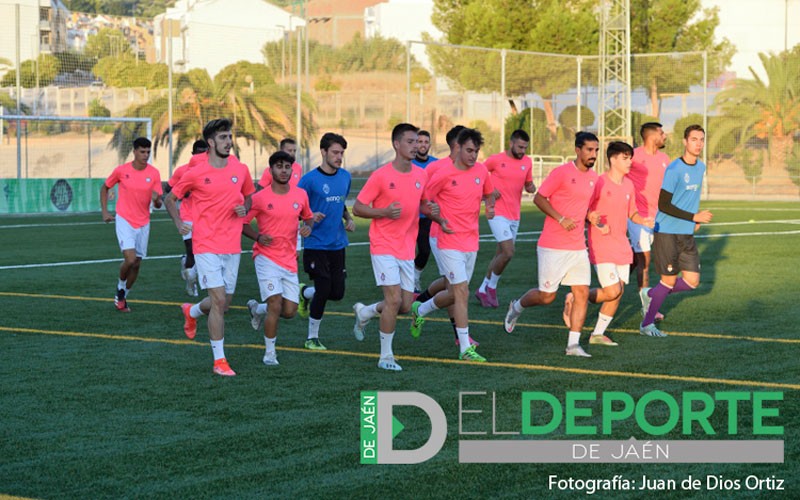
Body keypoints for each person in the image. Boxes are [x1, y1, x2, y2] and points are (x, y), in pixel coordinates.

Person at [165, 118, 255, 377]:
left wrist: (245, 208)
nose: (229, 142)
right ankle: (220, 361)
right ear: (211, 142)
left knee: (225, 303)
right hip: (205, 245)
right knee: (217, 300)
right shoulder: (195, 173)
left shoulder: (241, 169)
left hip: (232, 246)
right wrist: (179, 222)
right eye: (224, 137)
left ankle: (191, 311)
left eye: (230, 136)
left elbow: (249, 195)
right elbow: (171, 198)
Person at [503, 132, 600, 358]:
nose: (593, 154)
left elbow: (583, 207)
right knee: (547, 297)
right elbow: (539, 198)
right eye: (589, 150)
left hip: (578, 246)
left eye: (596, 150)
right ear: (577, 150)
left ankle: (573, 346)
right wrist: (560, 218)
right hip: (553, 245)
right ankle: (516, 307)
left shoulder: (594, 178)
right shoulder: (562, 173)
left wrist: (589, 217)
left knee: (582, 293)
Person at [351, 123, 433, 371]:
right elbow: (358, 207)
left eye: (417, 141)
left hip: (406, 248)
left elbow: (423, 204)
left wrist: (436, 213)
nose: (416, 146)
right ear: (397, 145)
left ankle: (366, 312)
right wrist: (383, 212)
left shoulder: (421, 174)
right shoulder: (381, 176)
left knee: (405, 305)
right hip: (383, 245)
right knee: (394, 299)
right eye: (410, 141)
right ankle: (385, 357)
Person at [409, 128, 495, 362]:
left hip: (471, 241)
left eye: (476, 151)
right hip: (446, 240)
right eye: (469, 150)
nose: (473, 156)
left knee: (456, 292)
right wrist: (437, 218)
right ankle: (465, 347)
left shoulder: (481, 170)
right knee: (461, 292)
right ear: (457, 148)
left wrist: (490, 206)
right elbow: (423, 202)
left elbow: (489, 192)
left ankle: (421, 309)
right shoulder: (442, 172)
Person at [567, 141, 654, 346]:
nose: (630, 162)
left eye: (630, 157)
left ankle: (597, 334)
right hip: (601, 244)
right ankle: (575, 297)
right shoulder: (599, 182)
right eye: (625, 158)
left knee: (617, 293)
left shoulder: (629, 185)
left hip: (621, 246)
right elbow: (583, 209)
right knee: (613, 290)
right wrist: (592, 219)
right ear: (613, 159)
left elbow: (631, 212)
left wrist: (643, 220)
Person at [640, 125, 713, 337]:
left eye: (701, 139)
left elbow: (689, 198)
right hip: (667, 232)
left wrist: (693, 216)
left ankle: (651, 294)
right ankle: (647, 324)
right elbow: (664, 205)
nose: (698, 144)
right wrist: (693, 217)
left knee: (692, 281)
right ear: (684, 142)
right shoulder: (674, 170)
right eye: (694, 139)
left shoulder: (701, 168)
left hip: (686, 232)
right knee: (669, 280)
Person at [243, 151, 314, 365]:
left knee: (290, 311)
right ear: (271, 169)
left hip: (289, 259)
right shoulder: (259, 197)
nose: (284, 170)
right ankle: (270, 353)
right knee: (275, 304)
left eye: (287, 167)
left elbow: (308, 218)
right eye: (279, 166)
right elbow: (243, 223)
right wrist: (257, 236)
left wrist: (307, 228)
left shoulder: (300, 195)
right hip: (265, 258)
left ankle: (257, 309)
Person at [294, 133, 355, 350]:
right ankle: (312, 337)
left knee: (337, 293)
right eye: (335, 152)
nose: (339, 157)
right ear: (323, 152)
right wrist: (308, 217)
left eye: (341, 153)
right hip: (315, 244)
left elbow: (341, 203)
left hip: (338, 243)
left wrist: (348, 219)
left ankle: (304, 293)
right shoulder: (309, 180)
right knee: (324, 287)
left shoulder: (345, 176)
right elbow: (294, 206)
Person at [100, 137, 163, 312]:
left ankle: (122, 296)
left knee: (137, 264)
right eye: (142, 152)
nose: (145, 155)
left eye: (148, 152)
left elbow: (158, 202)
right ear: (134, 152)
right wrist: (105, 211)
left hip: (144, 222)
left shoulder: (154, 173)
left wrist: (158, 201)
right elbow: (105, 187)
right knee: (130, 259)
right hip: (124, 219)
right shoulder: (122, 171)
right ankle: (120, 286)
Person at [475, 129, 536, 308]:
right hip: (496, 212)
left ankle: (482, 289)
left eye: (525, 147)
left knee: (500, 254)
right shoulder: (496, 159)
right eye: (520, 146)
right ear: (511, 143)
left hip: (514, 215)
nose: (522, 150)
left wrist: (531, 187)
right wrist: (489, 190)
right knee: (509, 251)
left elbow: (528, 184)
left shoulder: (528, 162)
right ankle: (492, 288)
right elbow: (478, 173)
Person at [629, 122, 669, 321]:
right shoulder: (634, 156)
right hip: (637, 216)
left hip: (658, 217)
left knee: (636, 261)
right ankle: (648, 309)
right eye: (662, 133)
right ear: (652, 136)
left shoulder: (664, 159)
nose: (665, 136)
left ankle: (612, 285)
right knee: (645, 261)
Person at [165, 139, 209, 296]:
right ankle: (191, 282)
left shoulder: (213, 170)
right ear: (193, 154)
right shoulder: (182, 171)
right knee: (191, 250)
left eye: (205, 152)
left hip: (206, 217)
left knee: (203, 252)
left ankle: (190, 271)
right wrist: (183, 191)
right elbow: (168, 188)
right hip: (187, 216)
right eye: (199, 152)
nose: (202, 156)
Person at [411, 130, 438, 292]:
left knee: (425, 250)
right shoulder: (409, 163)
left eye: (425, 142)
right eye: (419, 141)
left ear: (429, 144)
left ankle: (414, 276)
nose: (422, 145)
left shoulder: (436, 164)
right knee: (405, 251)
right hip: (409, 215)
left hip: (426, 215)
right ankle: (404, 282)